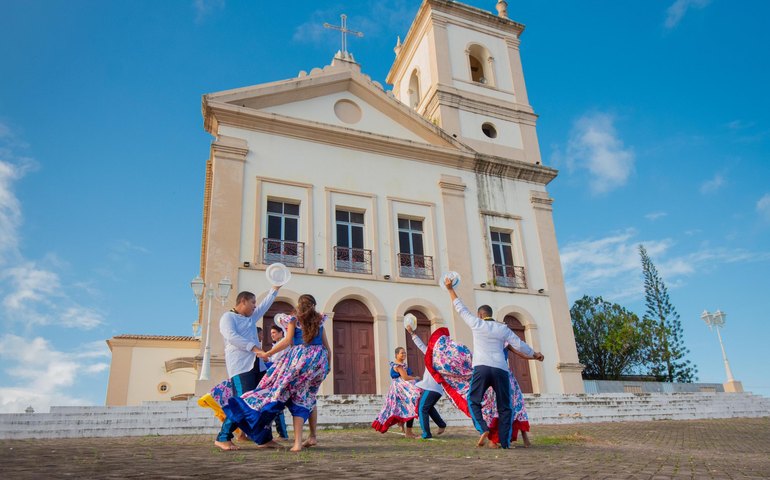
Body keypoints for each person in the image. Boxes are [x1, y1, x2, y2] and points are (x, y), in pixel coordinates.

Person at [443, 276, 544, 449]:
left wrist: (450, 289)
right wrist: (535, 354)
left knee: (473, 400)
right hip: (500, 369)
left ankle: (483, 428)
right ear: (491, 314)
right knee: (505, 407)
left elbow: (460, 308)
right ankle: (504, 443)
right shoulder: (502, 328)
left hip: (481, 368)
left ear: (480, 314)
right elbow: (519, 344)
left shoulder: (476, 323)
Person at [225, 294, 330, 452]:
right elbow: (327, 348)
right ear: (314, 306)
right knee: (310, 396)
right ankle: (312, 436)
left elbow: (287, 341)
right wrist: (328, 366)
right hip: (319, 362)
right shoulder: (319, 321)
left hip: (301, 361)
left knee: (298, 398)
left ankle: (297, 443)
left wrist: (268, 353)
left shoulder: (294, 320)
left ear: (299, 306)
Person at [213, 287, 280, 451]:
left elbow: (264, 306)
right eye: (252, 302)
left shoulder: (250, 318)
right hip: (241, 366)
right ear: (243, 301)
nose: (255, 306)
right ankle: (223, 437)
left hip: (258, 365)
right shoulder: (228, 317)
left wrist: (274, 289)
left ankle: (264, 438)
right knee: (242, 403)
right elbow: (232, 337)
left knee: (264, 400)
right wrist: (255, 348)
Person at [406, 325, 447, 439]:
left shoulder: (441, 359)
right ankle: (441, 424)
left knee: (422, 408)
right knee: (428, 407)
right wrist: (412, 333)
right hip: (435, 388)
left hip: (432, 388)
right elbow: (421, 346)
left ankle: (426, 434)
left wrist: (412, 333)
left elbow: (422, 346)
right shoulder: (433, 355)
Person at [371, 346, 421, 438]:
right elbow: (405, 377)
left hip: (399, 388)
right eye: (402, 353)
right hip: (400, 388)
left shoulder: (400, 364)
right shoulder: (398, 366)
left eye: (404, 353)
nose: (404, 354)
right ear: (396, 355)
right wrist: (416, 378)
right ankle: (408, 432)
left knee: (401, 407)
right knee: (411, 405)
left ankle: (401, 423)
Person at [265, 324, 289, 440]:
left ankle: (282, 433)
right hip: (276, 376)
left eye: (274, 332)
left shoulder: (283, 344)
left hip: (280, 376)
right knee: (276, 404)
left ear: (281, 333)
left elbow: (275, 360)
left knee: (276, 403)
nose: (272, 335)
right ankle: (282, 432)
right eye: (271, 333)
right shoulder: (277, 345)